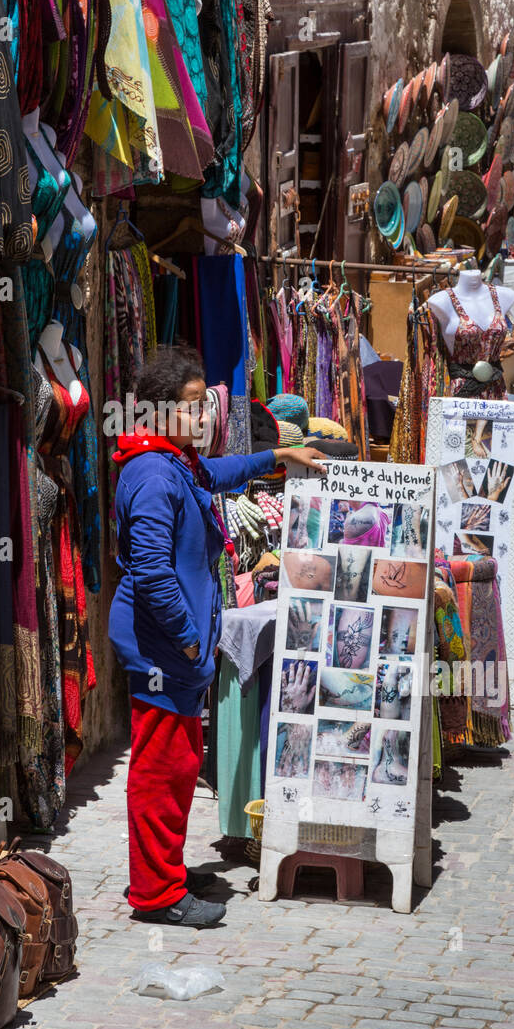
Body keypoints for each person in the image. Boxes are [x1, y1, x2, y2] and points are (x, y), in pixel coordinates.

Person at [109, 346, 327, 927]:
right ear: (156, 412)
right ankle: (157, 896)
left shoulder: (175, 460)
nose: (203, 417)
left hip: (176, 649)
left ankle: (168, 871)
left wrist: (276, 454)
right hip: (161, 649)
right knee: (161, 769)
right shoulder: (153, 475)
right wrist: (186, 639)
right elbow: (152, 571)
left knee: (180, 761)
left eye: (204, 405)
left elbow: (219, 474)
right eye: (190, 407)